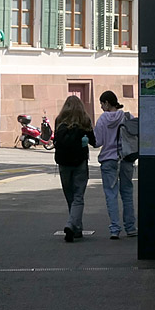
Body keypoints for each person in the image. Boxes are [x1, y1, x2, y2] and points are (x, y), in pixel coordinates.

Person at [95, 90, 137, 239]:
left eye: (102, 103)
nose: (101, 107)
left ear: (107, 103)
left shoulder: (102, 120)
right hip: (125, 159)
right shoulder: (126, 116)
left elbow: (97, 142)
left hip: (108, 160)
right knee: (127, 193)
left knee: (111, 195)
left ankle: (114, 229)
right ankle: (131, 227)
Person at [53, 95, 94, 242]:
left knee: (70, 195)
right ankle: (72, 225)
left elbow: (56, 140)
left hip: (63, 164)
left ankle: (77, 228)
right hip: (80, 163)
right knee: (78, 196)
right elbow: (94, 141)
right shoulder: (85, 120)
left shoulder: (59, 120)